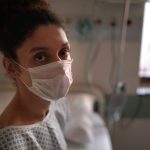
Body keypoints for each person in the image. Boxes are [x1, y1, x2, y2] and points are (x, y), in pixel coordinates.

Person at [0, 0, 73, 149]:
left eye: (63, 52)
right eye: (40, 57)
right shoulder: (9, 142)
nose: (59, 67)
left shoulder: (57, 105)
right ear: (11, 67)